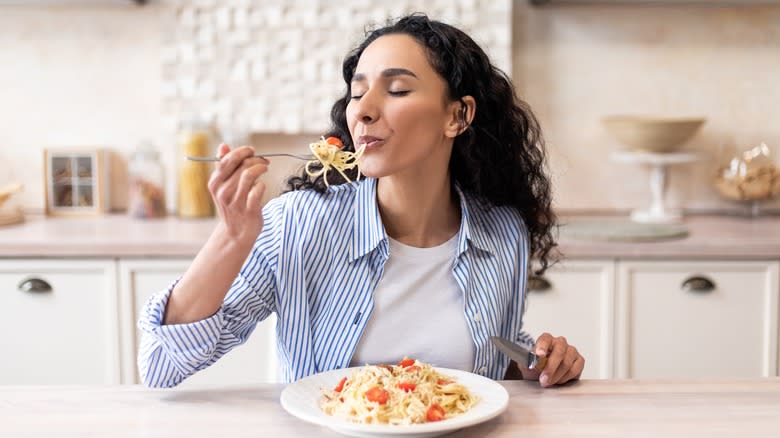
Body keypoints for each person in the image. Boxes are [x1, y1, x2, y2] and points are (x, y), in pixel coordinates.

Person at [138, 13, 584, 388]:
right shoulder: (298, 224)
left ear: (457, 115)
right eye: (356, 91)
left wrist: (539, 361)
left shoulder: (503, 233)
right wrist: (232, 238)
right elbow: (160, 365)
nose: (363, 110)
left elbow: (492, 358)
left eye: (397, 90)